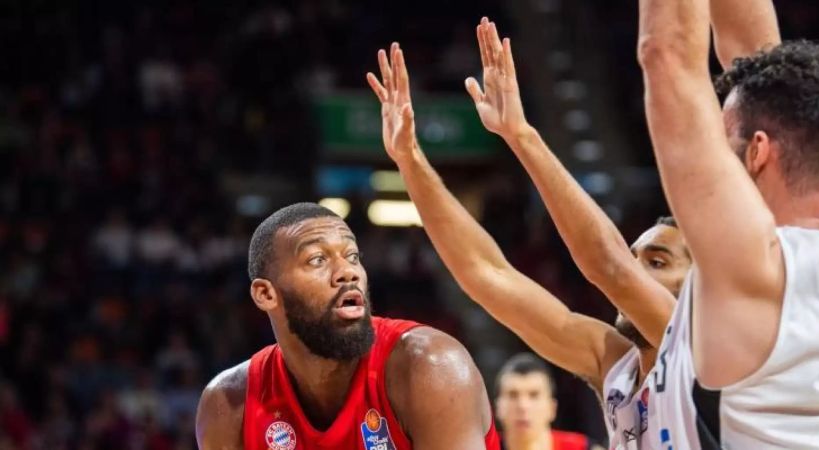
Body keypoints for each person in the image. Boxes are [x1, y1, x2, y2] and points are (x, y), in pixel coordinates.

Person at [367, 38, 688, 450]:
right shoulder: (613, 361)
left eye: (658, 262)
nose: (636, 271)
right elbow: (486, 274)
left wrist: (522, 135)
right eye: (635, 258)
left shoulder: (702, 347)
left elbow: (608, 266)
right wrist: (409, 159)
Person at [637, 0, 819, 446]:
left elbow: (668, 54)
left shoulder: (753, 267)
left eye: (722, 140)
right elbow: (760, 60)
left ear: (757, 151)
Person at [194, 203, 501, 449]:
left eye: (352, 256)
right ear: (266, 294)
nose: (347, 272)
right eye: (317, 260)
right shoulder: (229, 405)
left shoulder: (431, 367)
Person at [495, 354, 604, 450]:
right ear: (498, 407)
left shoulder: (584, 448)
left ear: (552, 408)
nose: (523, 406)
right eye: (513, 395)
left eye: (534, 395)